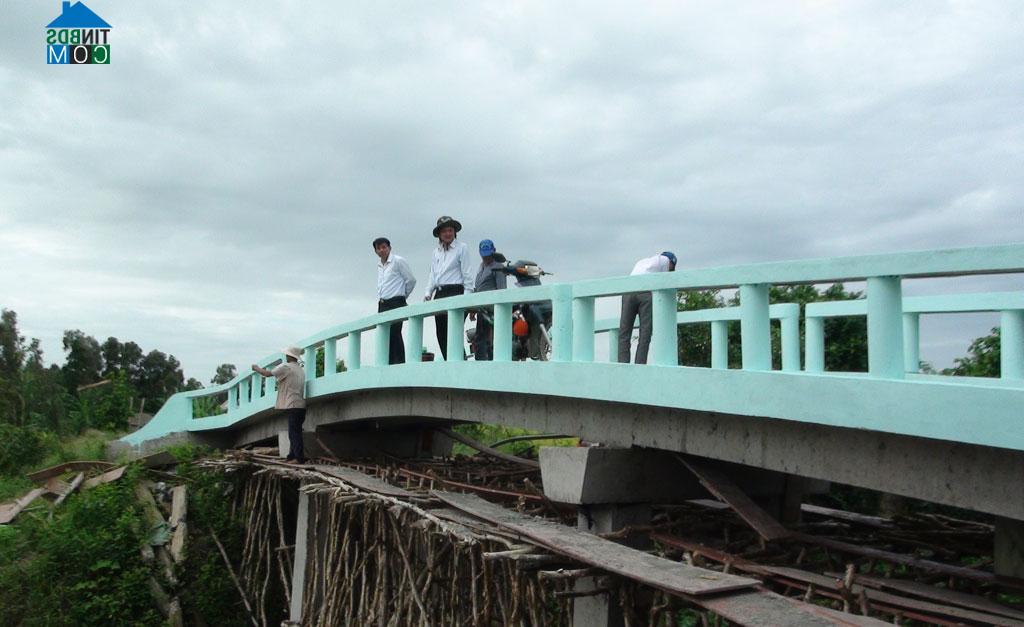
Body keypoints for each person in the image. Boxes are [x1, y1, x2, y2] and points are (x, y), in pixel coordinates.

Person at [423, 215, 474, 359]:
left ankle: (460, 365)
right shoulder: (436, 252)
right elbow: (433, 274)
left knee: (454, 333)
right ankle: (450, 365)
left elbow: (467, 273)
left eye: (450, 230)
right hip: (440, 293)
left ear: (454, 232)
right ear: (439, 234)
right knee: (441, 334)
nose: (447, 234)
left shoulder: (461, 248)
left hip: (456, 291)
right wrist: (428, 292)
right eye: (444, 231)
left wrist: (467, 298)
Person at [617, 252, 677, 365]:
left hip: (628, 291)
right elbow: (665, 284)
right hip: (645, 293)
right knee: (645, 332)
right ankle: (640, 364)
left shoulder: (643, 261)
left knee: (624, 331)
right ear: (671, 263)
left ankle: (622, 363)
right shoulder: (664, 261)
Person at [252, 347, 307, 464]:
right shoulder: (301, 370)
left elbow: (267, 374)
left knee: (294, 433)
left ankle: (299, 458)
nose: (286, 356)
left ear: (290, 356)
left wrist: (256, 368)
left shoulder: (286, 367)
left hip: (292, 404)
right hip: (301, 405)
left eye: (287, 355)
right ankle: (291, 456)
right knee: (294, 432)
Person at [373, 236, 417, 364]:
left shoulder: (398, 261)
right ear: (376, 251)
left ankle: (398, 363)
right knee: (384, 337)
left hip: (396, 302)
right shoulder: (380, 265)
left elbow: (411, 280)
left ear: (389, 248)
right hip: (383, 303)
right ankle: (388, 364)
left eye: (384, 247)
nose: (382, 250)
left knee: (395, 334)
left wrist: (402, 296)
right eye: (379, 248)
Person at [471, 239, 507, 360]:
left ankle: (491, 361)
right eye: (484, 254)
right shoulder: (481, 267)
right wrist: (473, 309)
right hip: (481, 309)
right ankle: (480, 362)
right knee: (480, 337)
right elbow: (478, 288)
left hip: (492, 310)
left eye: (488, 254)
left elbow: (502, 289)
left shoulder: (498, 267)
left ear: (494, 251)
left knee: (490, 338)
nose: (486, 257)